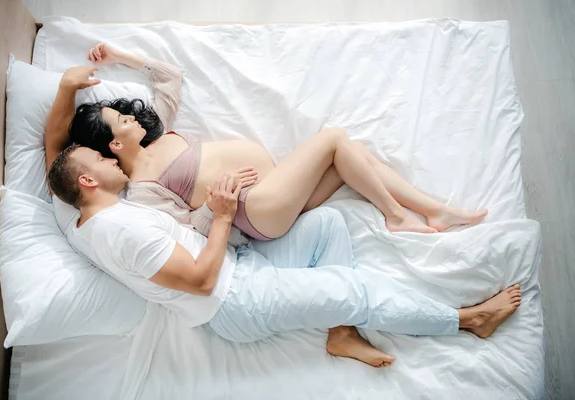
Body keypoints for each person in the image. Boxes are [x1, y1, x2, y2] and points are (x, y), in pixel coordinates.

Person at [45, 141, 522, 368]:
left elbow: (55, 161)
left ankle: (341, 333)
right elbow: (199, 280)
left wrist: (67, 86)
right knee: (353, 290)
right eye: (101, 161)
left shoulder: (78, 217)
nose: (111, 159)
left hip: (244, 268)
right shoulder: (119, 229)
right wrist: (226, 215)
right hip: (234, 301)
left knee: (326, 226)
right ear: (88, 181)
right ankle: (466, 320)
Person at [45, 43, 488, 245]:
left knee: (357, 156)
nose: (130, 116)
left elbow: (170, 76)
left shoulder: (159, 129)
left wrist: (120, 57)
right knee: (332, 139)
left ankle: (434, 210)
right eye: (119, 120)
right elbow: (184, 230)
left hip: (275, 193)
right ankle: (395, 216)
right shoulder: (141, 189)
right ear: (113, 145)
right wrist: (217, 200)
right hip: (254, 211)